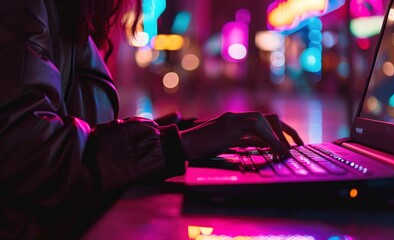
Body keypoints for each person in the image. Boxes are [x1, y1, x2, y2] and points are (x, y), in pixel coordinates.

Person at [0, 0, 303, 239]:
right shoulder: (27, 7)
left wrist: (187, 132)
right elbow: (27, 150)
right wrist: (172, 144)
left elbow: (83, 130)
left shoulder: (68, 13)